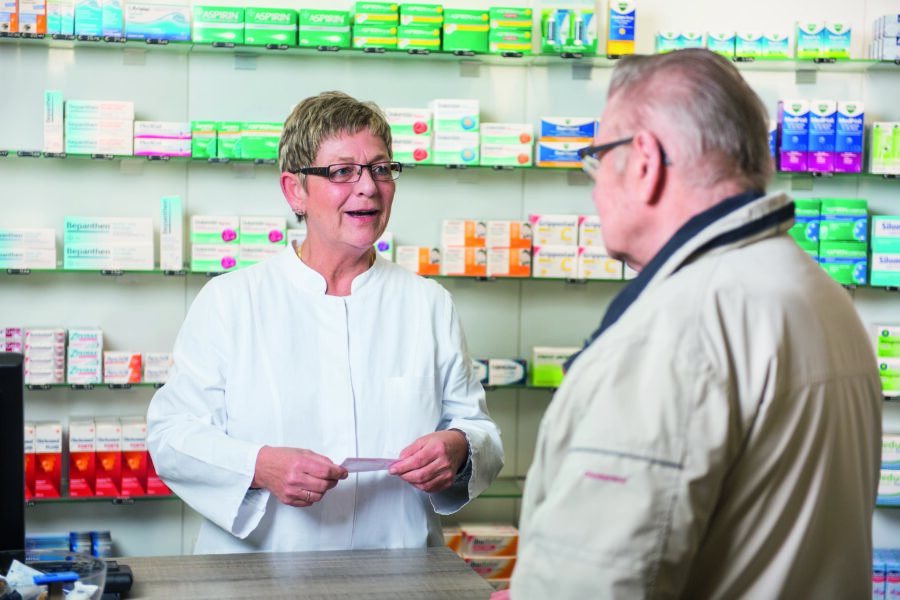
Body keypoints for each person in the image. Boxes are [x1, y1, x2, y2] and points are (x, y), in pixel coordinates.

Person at [502, 49, 882, 598]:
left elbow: (597, 580)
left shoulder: (681, 328)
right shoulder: (820, 292)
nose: (593, 185)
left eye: (595, 158)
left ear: (643, 161)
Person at [147, 91, 504, 554]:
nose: (369, 188)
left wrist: (458, 447)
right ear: (295, 190)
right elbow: (172, 436)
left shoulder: (428, 304)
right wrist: (258, 464)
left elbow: (480, 430)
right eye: (342, 172)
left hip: (397, 569)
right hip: (259, 571)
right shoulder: (232, 301)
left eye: (381, 168)